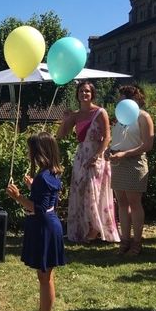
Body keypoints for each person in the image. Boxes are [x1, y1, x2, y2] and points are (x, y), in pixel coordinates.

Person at [6, 132, 65, 311]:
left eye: (31, 149)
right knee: (43, 275)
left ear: (39, 151)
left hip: (44, 227)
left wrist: (18, 197)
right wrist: (33, 187)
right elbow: (49, 200)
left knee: (45, 276)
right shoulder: (50, 173)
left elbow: (39, 208)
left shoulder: (43, 177)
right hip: (48, 226)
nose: (29, 152)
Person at [56, 82, 119, 244]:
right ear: (77, 94)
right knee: (81, 191)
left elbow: (107, 137)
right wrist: (65, 120)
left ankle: (95, 229)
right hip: (81, 157)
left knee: (94, 192)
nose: (84, 94)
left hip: (96, 157)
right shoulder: (76, 115)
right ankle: (83, 228)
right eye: (82, 91)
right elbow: (61, 135)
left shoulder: (100, 112)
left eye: (87, 91)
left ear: (92, 94)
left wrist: (97, 156)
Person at [105, 85, 155, 256]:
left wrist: (125, 153)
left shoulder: (143, 117)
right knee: (122, 203)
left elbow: (148, 145)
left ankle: (137, 243)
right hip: (118, 163)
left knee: (134, 203)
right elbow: (118, 139)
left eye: (120, 97)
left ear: (129, 98)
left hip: (135, 163)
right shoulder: (120, 117)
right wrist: (109, 150)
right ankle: (124, 241)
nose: (117, 101)